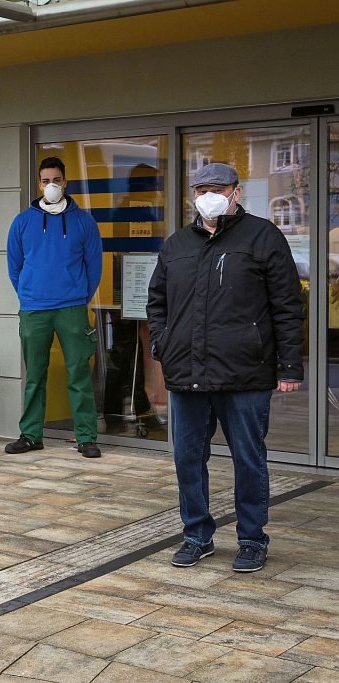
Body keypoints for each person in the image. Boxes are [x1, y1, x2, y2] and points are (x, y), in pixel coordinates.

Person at [147, 162, 303, 573]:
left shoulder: (263, 237)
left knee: (248, 458)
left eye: (216, 188)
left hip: (245, 374)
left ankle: (252, 539)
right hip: (188, 372)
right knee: (188, 459)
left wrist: (289, 367)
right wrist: (164, 344)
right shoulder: (177, 244)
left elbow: (287, 307)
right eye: (200, 189)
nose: (207, 195)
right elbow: (156, 303)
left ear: (236, 192)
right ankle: (196, 535)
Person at [6, 156, 104, 458]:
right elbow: (14, 266)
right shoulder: (22, 222)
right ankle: (31, 435)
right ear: (39, 184)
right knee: (35, 373)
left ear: (65, 182)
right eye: (46, 181)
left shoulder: (83, 222)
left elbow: (94, 266)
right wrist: (28, 294)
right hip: (34, 309)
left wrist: (78, 296)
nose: (51, 186)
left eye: (56, 180)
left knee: (79, 372)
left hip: (72, 308)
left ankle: (86, 436)